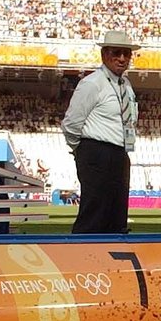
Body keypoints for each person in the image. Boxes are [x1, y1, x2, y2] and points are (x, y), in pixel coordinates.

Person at [61, 30, 141, 234]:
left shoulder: (126, 86)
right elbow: (71, 123)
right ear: (104, 54)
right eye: (116, 53)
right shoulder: (92, 83)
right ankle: (82, 257)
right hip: (96, 151)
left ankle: (112, 259)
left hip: (120, 152)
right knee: (94, 213)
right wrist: (82, 151)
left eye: (126, 53)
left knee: (116, 215)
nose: (122, 58)